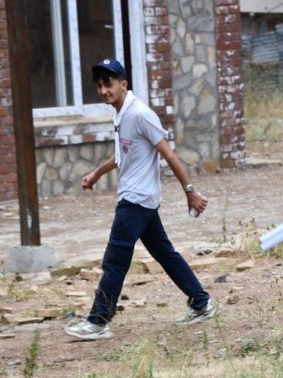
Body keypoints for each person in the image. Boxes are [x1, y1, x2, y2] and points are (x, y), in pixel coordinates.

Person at [65, 58, 215, 341]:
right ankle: (201, 302)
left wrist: (190, 190)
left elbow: (168, 154)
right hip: (141, 199)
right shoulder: (121, 113)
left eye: (108, 83)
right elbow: (123, 154)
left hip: (136, 200)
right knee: (165, 254)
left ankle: (98, 321)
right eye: (99, 85)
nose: (103, 90)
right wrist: (97, 173)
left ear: (124, 84)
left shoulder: (140, 114)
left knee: (114, 260)